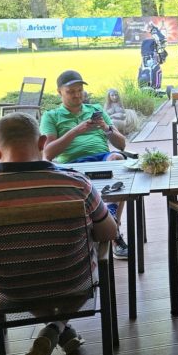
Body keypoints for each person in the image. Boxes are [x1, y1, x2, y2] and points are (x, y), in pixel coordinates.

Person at [0, 113, 118, 355]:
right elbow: (109, 233)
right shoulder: (77, 184)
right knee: (90, 250)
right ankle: (57, 327)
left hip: (10, 291)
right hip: (74, 284)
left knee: (27, 276)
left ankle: (56, 329)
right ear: (42, 142)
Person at [40, 70, 128, 260]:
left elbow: (122, 145)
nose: (77, 95)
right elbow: (48, 153)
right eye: (71, 91)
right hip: (72, 165)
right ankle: (106, 229)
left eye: (79, 90)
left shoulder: (95, 109)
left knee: (117, 159)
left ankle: (112, 220)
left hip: (103, 158)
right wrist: (76, 131)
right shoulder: (52, 116)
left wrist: (107, 128)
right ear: (59, 92)